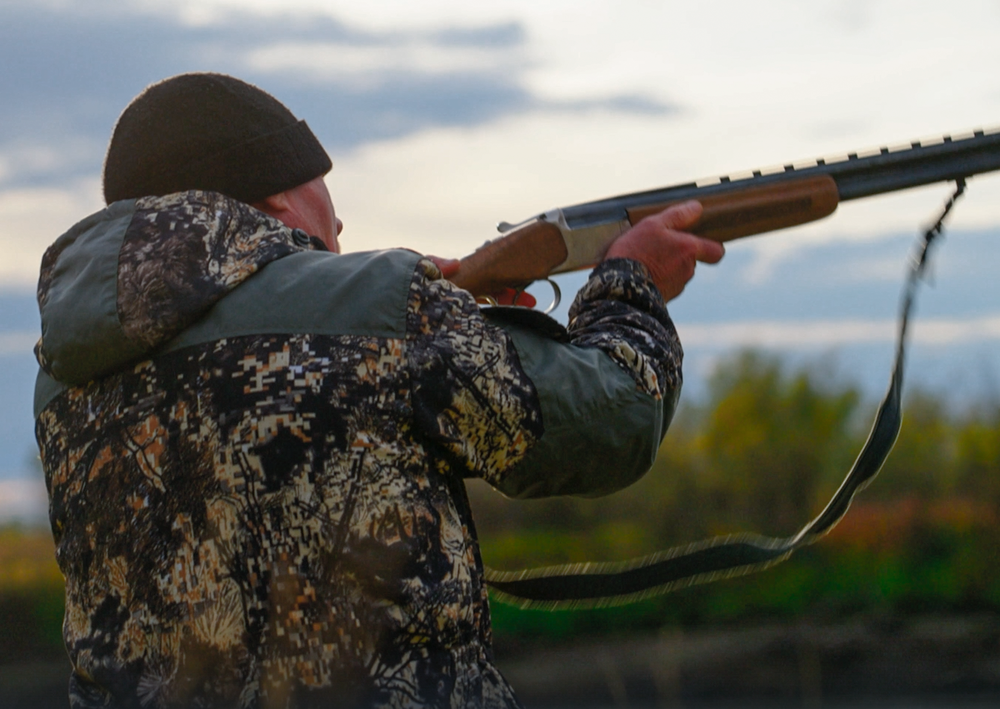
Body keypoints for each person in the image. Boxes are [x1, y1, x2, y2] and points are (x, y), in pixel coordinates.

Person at [33, 72, 723, 708]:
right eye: (323, 196)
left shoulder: (64, 375)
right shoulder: (378, 310)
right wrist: (632, 284)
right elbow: (614, 418)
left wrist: (439, 312)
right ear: (279, 194)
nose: (338, 228)